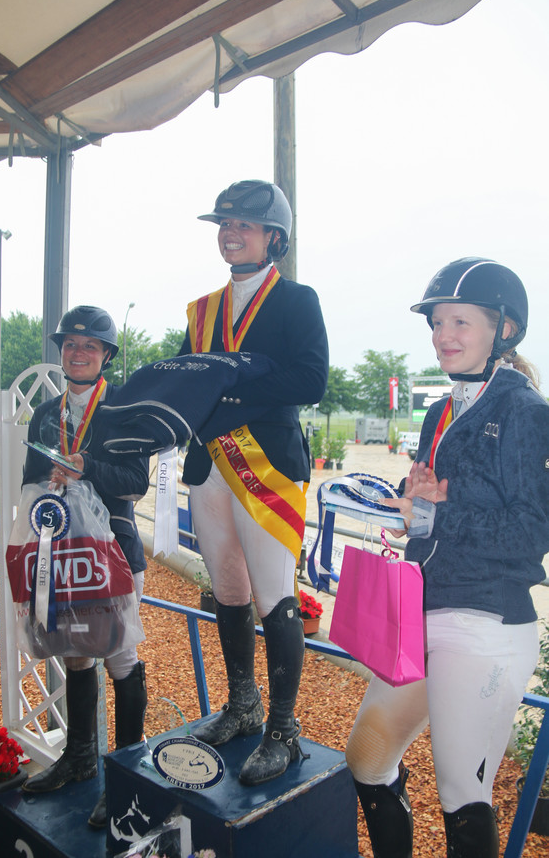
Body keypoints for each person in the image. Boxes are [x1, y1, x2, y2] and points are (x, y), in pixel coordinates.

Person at [345, 257, 549, 858]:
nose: (443, 336)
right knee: (366, 759)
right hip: (422, 610)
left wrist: (436, 513)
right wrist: (405, 500)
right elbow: (431, 508)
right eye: (437, 323)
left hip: (486, 621)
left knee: (462, 793)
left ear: (503, 329)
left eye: (461, 322)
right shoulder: (440, 410)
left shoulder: (525, 412)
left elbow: (533, 531)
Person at [180, 180, 328, 786]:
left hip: (266, 462)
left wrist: (232, 391)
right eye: (224, 224)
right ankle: (243, 706)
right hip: (209, 464)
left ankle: (283, 731)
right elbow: (186, 377)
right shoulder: (201, 310)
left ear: (274, 237)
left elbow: (311, 380)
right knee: (228, 590)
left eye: (243, 224)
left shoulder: (297, 300)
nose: (230, 233)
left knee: (274, 597)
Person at [20, 305, 149, 830]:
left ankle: (127, 774)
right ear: (62, 351)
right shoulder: (45, 413)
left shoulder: (123, 409)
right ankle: (79, 757)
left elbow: (135, 481)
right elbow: (29, 481)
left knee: (119, 655)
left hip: (112, 549)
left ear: (106, 356)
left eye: (90, 346)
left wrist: (84, 468)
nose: (78, 353)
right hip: (61, 553)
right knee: (74, 654)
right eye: (71, 344)